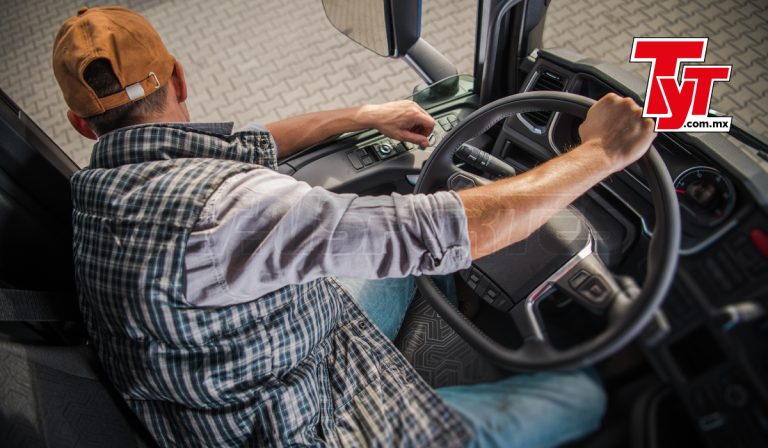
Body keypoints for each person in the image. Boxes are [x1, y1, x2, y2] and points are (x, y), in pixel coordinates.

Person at [53, 6, 655, 448]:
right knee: (580, 397)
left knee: (414, 273)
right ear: (180, 79)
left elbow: (249, 145)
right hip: (307, 427)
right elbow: (447, 232)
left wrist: (365, 115)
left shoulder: (99, 187)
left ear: (83, 126)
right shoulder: (231, 211)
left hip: (225, 393)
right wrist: (601, 152)